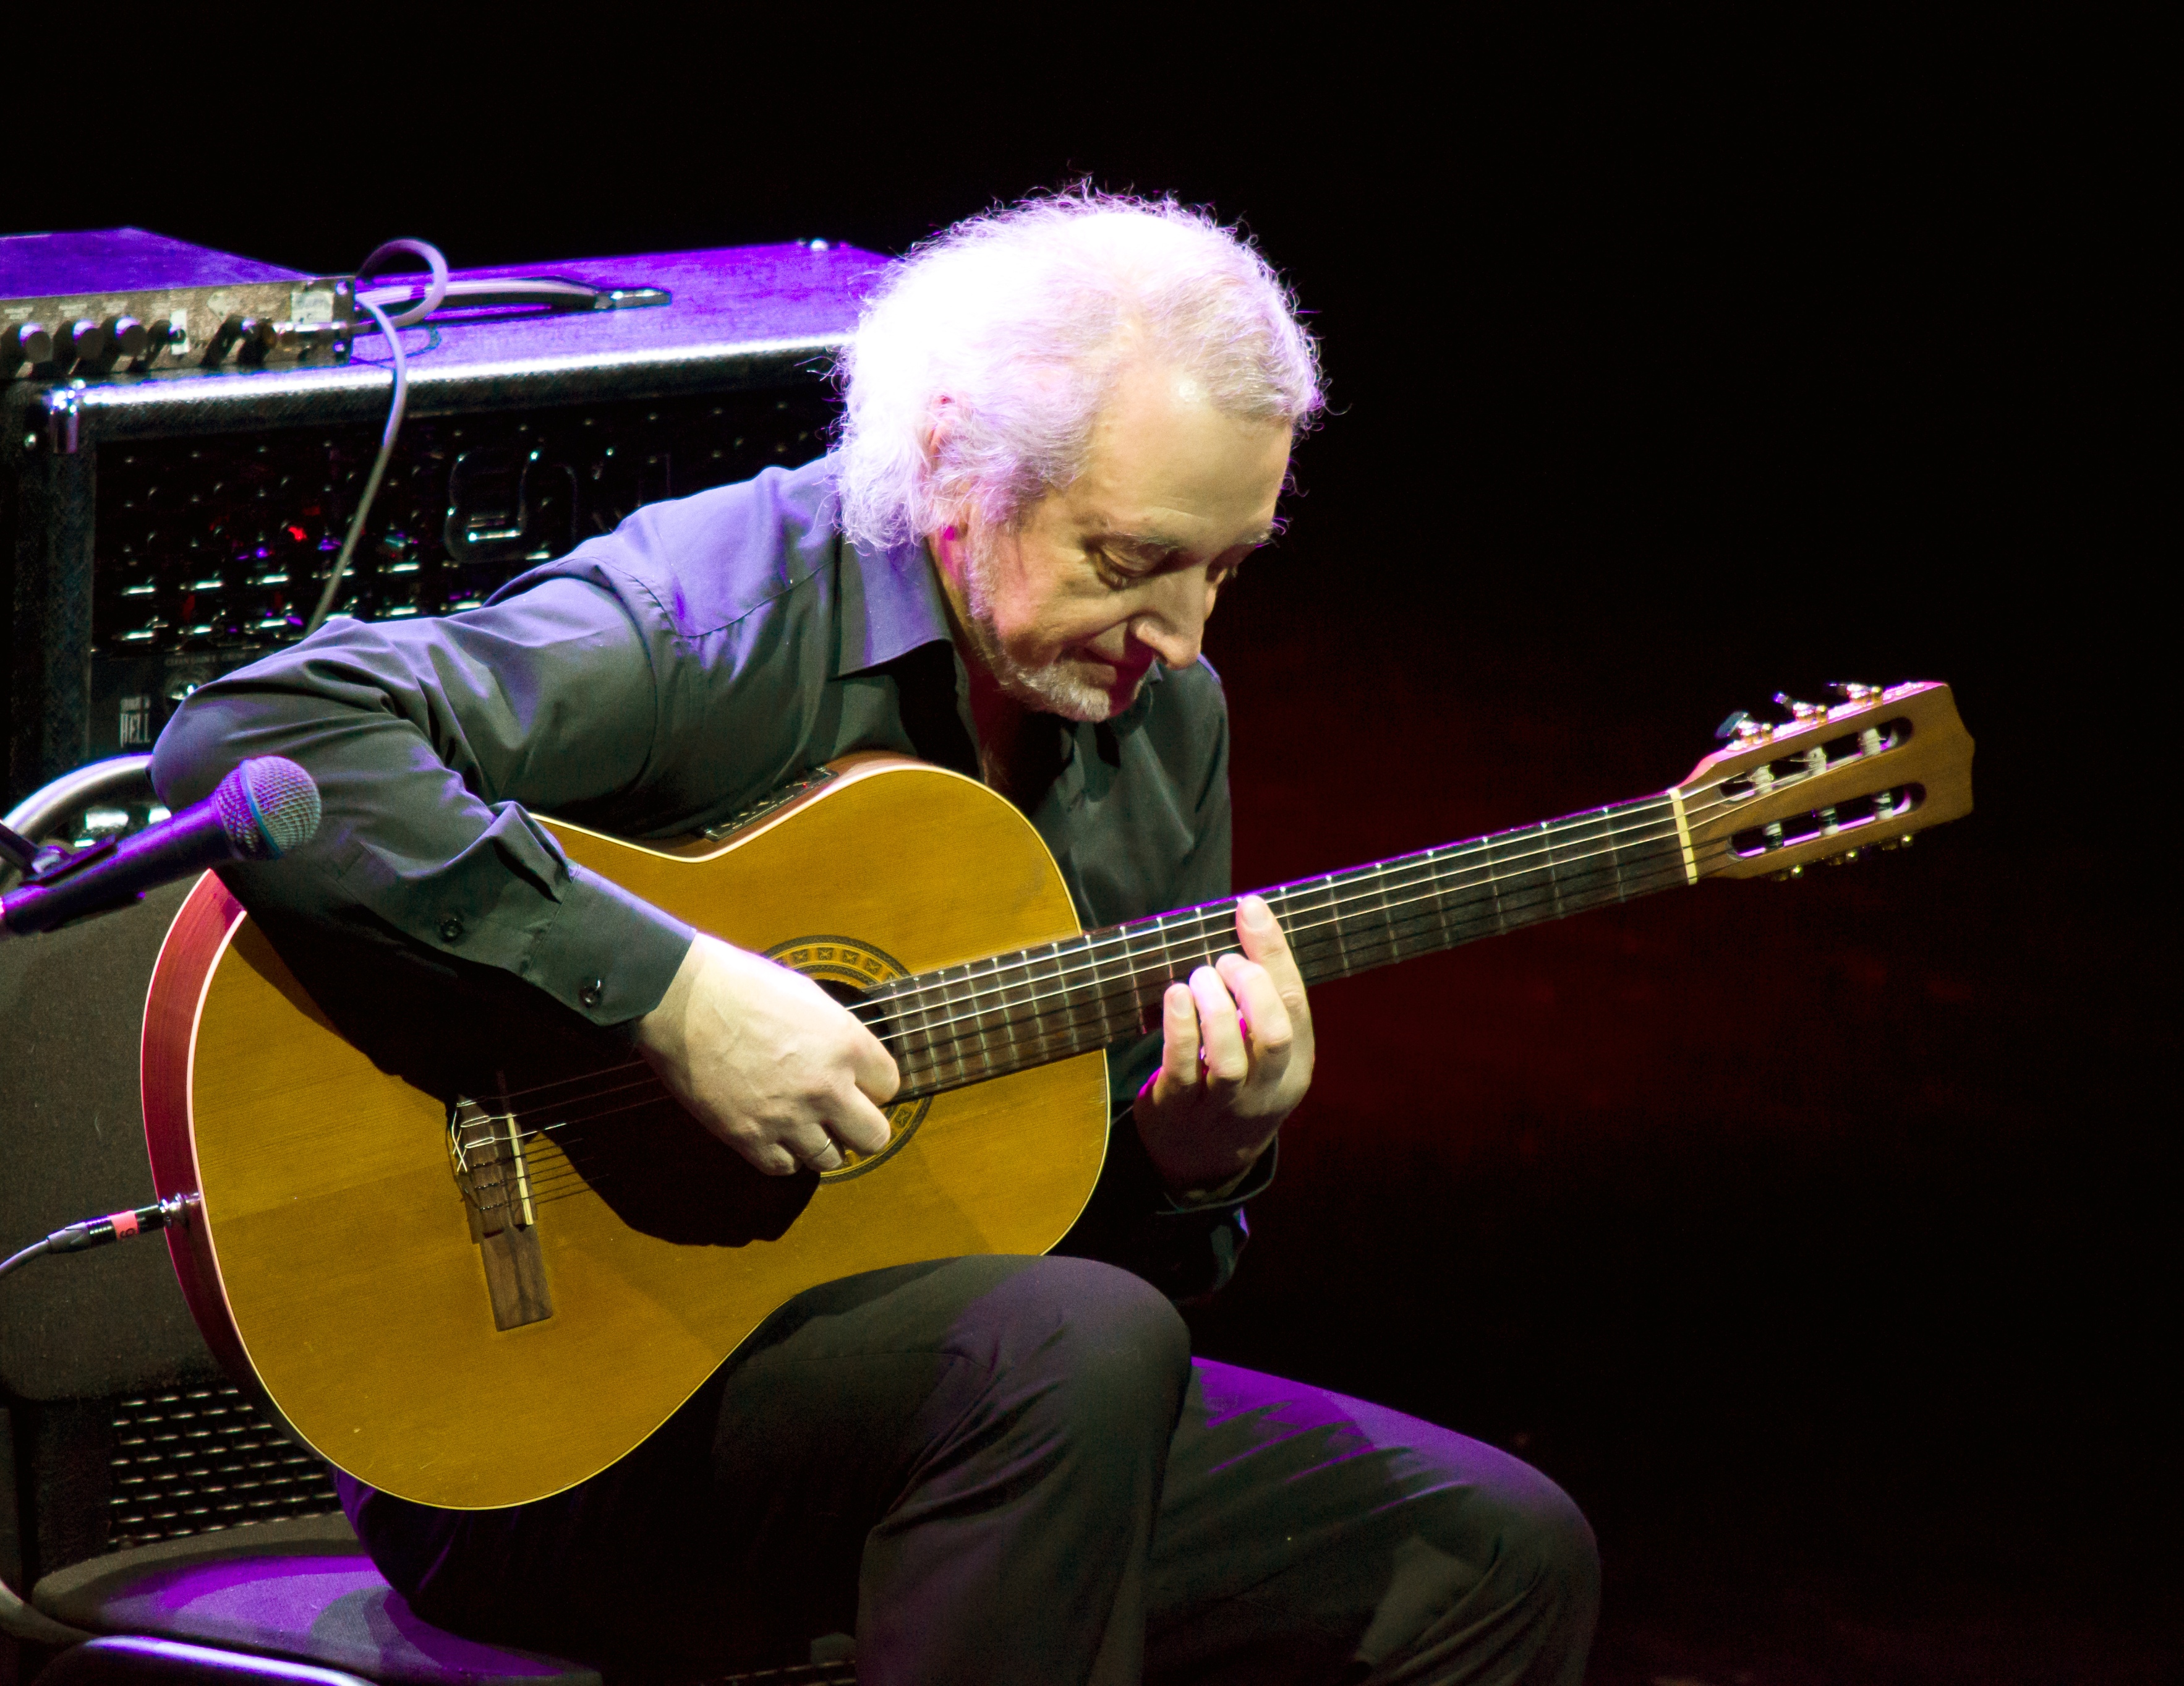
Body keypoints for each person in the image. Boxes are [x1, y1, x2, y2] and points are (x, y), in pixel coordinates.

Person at [153, 192, 1598, 1685]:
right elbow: (258, 737)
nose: (1183, 635)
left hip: (954, 1414)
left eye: (1224, 568)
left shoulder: (1168, 723)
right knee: (1070, 1352)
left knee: (1495, 1557)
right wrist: (668, 994)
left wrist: (1194, 1155)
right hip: (542, 1439)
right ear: (953, 459)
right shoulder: (709, 619)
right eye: (1129, 559)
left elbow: (1096, 1275)